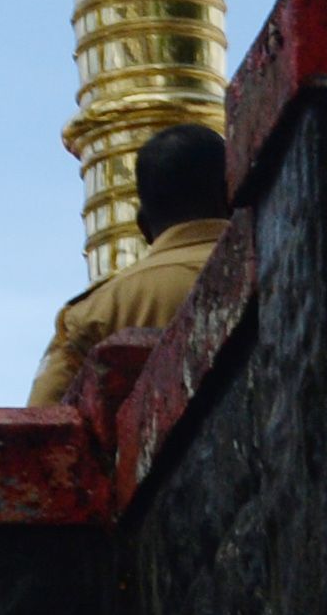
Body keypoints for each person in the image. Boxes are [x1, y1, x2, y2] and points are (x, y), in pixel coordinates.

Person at [29, 121, 231, 406]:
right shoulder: (278, 263)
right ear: (232, 193)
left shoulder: (95, 315)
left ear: (143, 225)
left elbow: (42, 428)